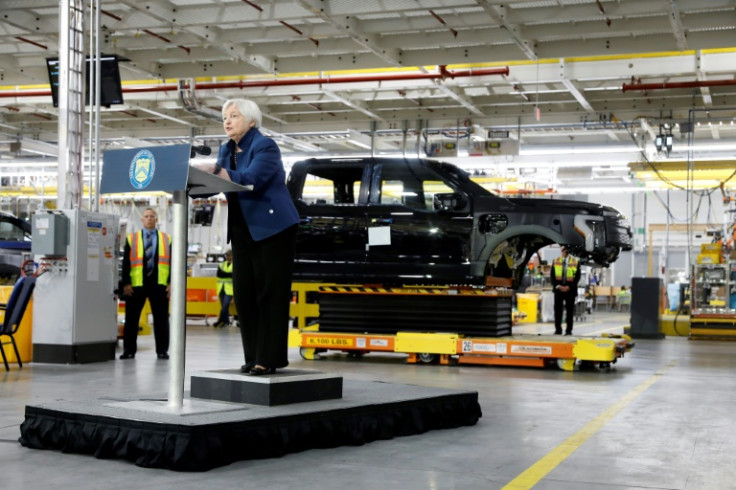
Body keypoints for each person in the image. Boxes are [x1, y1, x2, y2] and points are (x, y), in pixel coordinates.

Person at [202, 98, 299, 376]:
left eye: (234, 115)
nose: (227, 121)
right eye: (224, 117)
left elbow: (251, 179)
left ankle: (269, 358)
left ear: (251, 120)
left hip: (274, 228)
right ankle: (252, 355)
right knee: (244, 295)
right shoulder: (226, 149)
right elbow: (219, 181)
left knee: (270, 294)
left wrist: (218, 172)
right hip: (244, 229)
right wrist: (189, 185)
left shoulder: (265, 146)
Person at [120, 207, 172, 359]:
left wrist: (171, 282)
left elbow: (174, 262)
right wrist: (126, 283)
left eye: (152, 216)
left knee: (161, 319)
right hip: (136, 285)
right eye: (146, 216)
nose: (149, 219)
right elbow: (126, 264)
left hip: (159, 284)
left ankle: (162, 350)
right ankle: (129, 351)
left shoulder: (167, 239)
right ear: (142, 220)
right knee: (131, 319)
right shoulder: (132, 239)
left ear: (156, 220)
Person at [550, 245, 581, 335]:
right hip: (558, 290)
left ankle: (569, 330)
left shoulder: (575, 261)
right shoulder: (556, 261)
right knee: (558, 311)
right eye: (563, 249)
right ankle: (558, 330)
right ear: (561, 250)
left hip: (570, 290)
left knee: (570, 311)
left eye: (565, 249)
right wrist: (557, 286)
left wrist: (569, 287)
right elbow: (552, 276)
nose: (564, 251)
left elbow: (577, 277)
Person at [214, 250, 234, 328]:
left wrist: (225, 274)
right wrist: (228, 274)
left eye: (229, 255)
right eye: (227, 255)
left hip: (229, 289)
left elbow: (233, 275)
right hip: (221, 288)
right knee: (223, 306)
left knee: (225, 305)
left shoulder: (235, 265)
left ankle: (220, 320)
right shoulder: (221, 264)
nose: (227, 257)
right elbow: (219, 274)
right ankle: (226, 321)